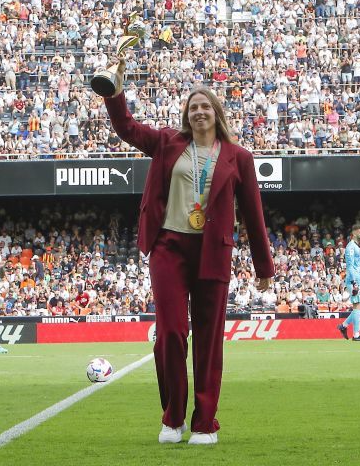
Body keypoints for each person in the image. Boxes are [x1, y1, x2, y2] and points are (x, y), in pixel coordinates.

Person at [102, 59, 274, 446]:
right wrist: (115, 92)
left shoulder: (237, 157)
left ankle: (204, 423)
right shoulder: (168, 143)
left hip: (213, 252)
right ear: (187, 115)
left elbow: (252, 212)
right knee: (171, 333)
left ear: (216, 113)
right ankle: (172, 417)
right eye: (193, 106)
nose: (199, 111)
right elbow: (127, 129)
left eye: (205, 106)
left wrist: (263, 265)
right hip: (169, 248)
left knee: (209, 340)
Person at [337, 224, 360, 341]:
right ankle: (356, 335)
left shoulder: (356, 246)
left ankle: (343, 325)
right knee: (357, 306)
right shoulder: (351, 247)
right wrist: (354, 282)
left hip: (359, 279)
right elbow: (350, 266)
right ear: (354, 233)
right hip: (354, 280)